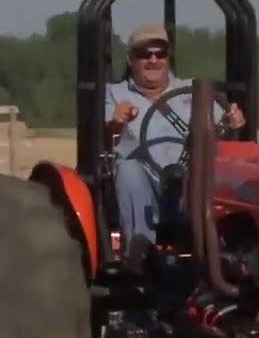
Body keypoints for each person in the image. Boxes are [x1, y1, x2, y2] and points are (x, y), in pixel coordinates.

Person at [104, 24, 246, 247]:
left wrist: (233, 120)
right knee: (129, 170)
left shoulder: (193, 90)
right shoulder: (114, 93)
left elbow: (222, 127)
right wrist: (116, 122)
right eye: (144, 54)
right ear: (131, 60)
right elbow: (101, 135)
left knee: (219, 172)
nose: (153, 60)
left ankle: (221, 248)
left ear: (168, 58)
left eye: (160, 53)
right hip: (144, 177)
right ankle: (141, 250)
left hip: (190, 177)